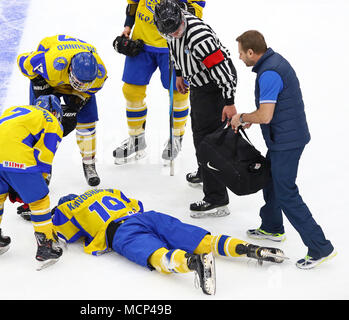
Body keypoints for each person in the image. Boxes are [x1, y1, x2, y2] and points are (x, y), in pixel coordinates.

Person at [48, 188, 287, 295]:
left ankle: (193, 263)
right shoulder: (108, 191)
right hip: (146, 216)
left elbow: (69, 235)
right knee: (200, 238)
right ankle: (249, 249)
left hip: (119, 231)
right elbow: (136, 204)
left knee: (156, 255)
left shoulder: (68, 207)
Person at [231, 30, 336, 269]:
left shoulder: (269, 73)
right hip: (284, 138)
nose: (239, 58)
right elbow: (270, 112)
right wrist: (251, 119)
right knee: (270, 180)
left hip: (287, 143)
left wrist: (243, 117)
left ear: (251, 52)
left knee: (286, 192)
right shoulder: (273, 62)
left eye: (241, 53)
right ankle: (272, 227)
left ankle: (320, 247)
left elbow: (266, 116)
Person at [154, 0, 238, 216]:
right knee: (199, 133)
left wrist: (229, 102)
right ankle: (206, 171)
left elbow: (224, 72)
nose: (174, 34)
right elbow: (174, 49)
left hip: (215, 86)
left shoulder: (199, 37)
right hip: (198, 84)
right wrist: (181, 74)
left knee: (209, 141)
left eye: (177, 30)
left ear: (182, 18)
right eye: (169, 33)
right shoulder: (171, 32)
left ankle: (217, 198)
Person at [0, 95, 64, 271]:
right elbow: (43, 159)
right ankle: (46, 246)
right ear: (55, 112)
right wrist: (32, 187)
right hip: (15, 158)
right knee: (39, 200)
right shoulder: (51, 120)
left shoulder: (16, 110)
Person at [112, 0, 205, 165]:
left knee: (179, 91)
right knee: (131, 91)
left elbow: (196, 10)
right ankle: (136, 139)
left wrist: (179, 8)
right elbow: (133, 3)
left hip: (171, 44)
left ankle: (176, 137)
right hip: (141, 43)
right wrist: (128, 26)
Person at [17, 34, 108, 187]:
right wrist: (38, 81)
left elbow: (86, 91)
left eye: (86, 83)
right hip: (48, 80)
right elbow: (22, 60)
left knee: (87, 123)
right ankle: (42, 167)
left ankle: (89, 163)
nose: (80, 86)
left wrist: (76, 104)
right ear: (70, 68)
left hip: (62, 77)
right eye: (79, 81)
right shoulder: (49, 63)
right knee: (42, 124)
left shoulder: (100, 74)